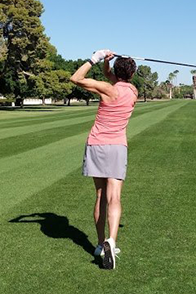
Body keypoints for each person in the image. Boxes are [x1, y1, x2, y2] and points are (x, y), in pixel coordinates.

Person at [70, 49, 138, 270]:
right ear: (132, 74)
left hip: (97, 145)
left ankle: (100, 244)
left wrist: (96, 58)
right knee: (115, 196)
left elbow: (76, 78)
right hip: (117, 146)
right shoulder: (133, 91)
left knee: (100, 196)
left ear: (117, 72)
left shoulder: (107, 89)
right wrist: (109, 65)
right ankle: (112, 241)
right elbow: (115, 80)